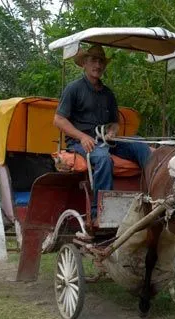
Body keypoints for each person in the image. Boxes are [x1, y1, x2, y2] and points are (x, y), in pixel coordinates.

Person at [53, 44, 151, 217]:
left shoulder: (108, 94)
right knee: (103, 159)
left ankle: (152, 196)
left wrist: (112, 132)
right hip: (80, 143)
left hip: (106, 142)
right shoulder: (74, 89)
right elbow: (59, 120)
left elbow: (114, 122)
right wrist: (82, 136)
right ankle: (100, 212)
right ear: (84, 63)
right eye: (93, 60)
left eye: (101, 62)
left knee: (140, 143)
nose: (97, 65)